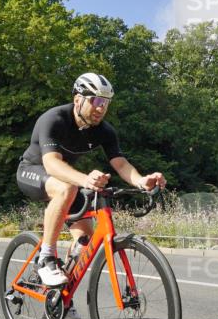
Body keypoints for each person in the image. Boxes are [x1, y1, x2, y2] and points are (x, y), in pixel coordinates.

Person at [16, 72, 166, 291]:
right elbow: (51, 164)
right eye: (96, 101)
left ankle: (60, 295)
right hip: (32, 171)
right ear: (78, 99)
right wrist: (85, 179)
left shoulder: (104, 131)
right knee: (67, 187)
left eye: (106, 103)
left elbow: (121, 164)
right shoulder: (54, 119)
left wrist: (142, 181)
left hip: (66, 181)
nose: (101, 108)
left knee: (85, 240)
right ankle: (46, 257)